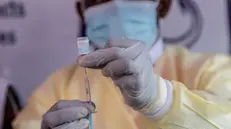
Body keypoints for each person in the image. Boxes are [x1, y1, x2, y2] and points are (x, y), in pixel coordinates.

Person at [13, 0, 231, 128]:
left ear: (163, 4)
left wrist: (162, 100)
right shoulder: (57, 88)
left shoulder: (212, 71)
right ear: (81, 9)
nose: (115, 5)